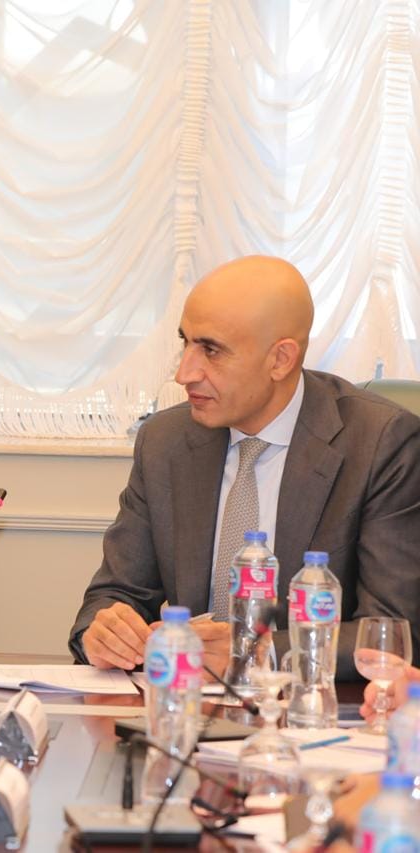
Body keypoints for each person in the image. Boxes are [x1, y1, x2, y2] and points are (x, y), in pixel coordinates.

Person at [69, 256, 420, 677]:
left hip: (308, 707)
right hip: (186, 702)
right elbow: (115, 593)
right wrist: (104, 631)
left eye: (211, 350)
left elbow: (390, 631)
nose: (184, 373)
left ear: (280, 359)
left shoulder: (380, 444)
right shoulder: (165, 441)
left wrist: (257, 652)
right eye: (186, 343)